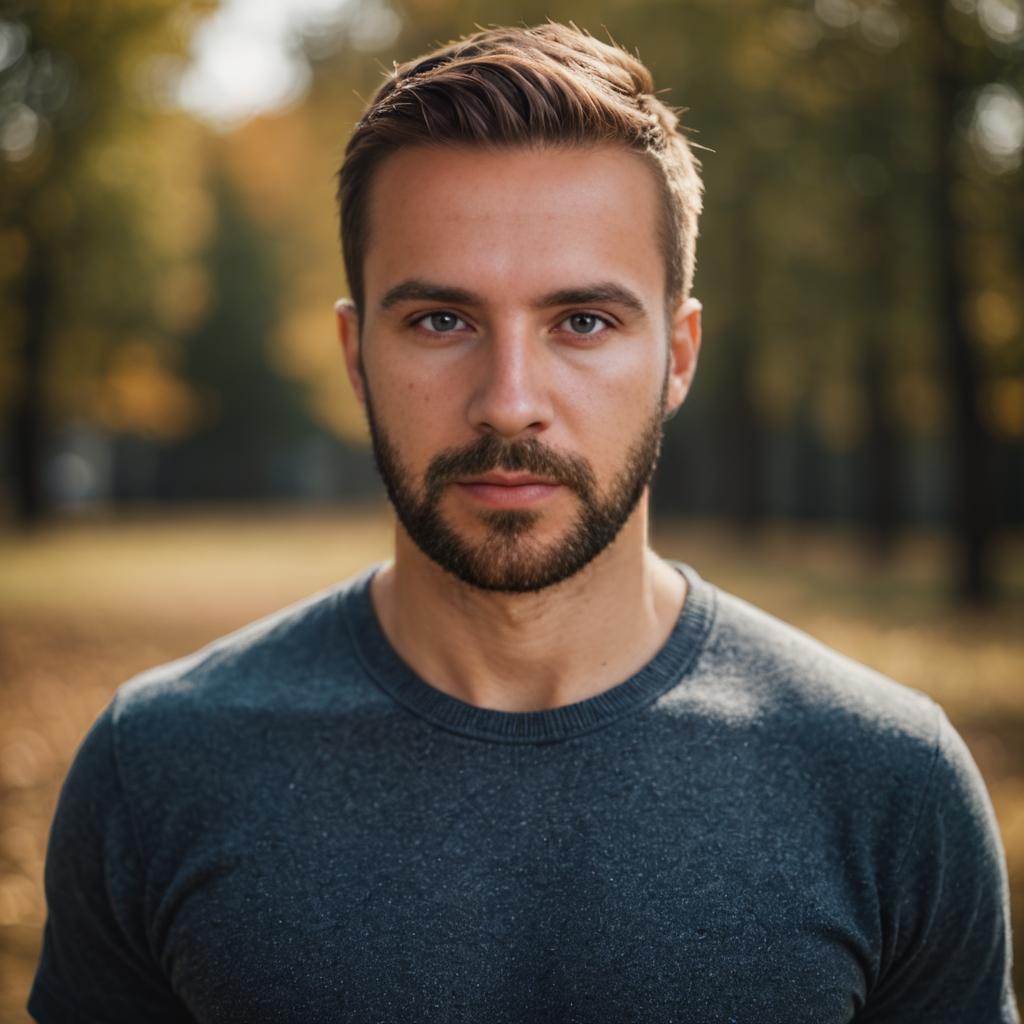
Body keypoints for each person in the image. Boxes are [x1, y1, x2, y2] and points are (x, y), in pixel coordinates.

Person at [29, 21, 1018, 1024]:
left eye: (581, 322)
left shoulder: (886, 783)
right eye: (440, 321)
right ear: (355, 350)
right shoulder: (158, 769)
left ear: (677, 354)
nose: (508, 401)